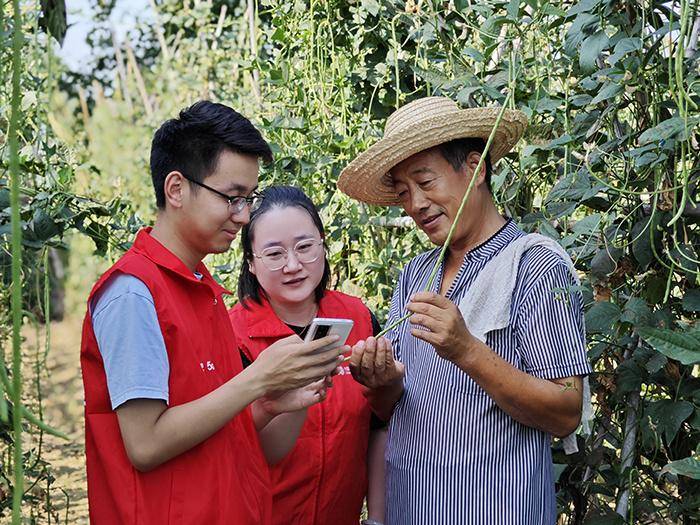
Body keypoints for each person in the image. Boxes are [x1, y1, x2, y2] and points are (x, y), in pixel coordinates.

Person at [80, 101, 346, 524]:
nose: (243, 216)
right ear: (176, 189)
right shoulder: (133, 294)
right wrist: (257, 379)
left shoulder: (199, 290)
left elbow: (230, 435)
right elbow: (145, 443)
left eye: (249, 198)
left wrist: (283, 401)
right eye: (232, 197)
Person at [338, 96, 592, 524]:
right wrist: (379, 382)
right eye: (403, 193)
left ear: (474, 168)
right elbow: (393, 407)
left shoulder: (534, 265)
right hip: (409, 507)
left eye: (425, 182)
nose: (416, 204)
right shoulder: (416, 274)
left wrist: (466, 349)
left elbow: (566, 411)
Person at [228, 185, 388, 525]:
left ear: (323, 246)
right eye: (274, 254)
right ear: (251, 264)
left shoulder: (357, 318)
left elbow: (379, 424)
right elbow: (232, 445)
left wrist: (376, 517)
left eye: (305, 247)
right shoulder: (233, 335)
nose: (293, 265)